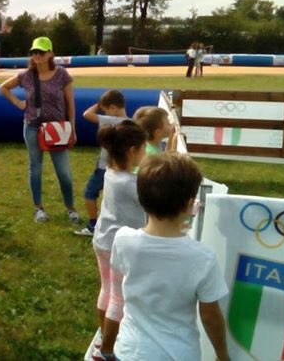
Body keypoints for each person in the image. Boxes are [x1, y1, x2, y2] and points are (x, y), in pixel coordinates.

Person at [98, 153, 229, 361]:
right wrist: (223, 355)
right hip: (180, 354)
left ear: (140, 198)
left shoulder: (123, 240)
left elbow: (118, 298)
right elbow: (210, 315)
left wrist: (106, 349)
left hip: (130, 352)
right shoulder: (203, 257)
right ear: (189, 204)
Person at [0, 36, 80, 224]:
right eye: (34, 52)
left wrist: (72, 128)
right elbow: (3, 87)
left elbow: (70, 103)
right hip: (32, 126)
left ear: (50, 53)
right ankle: (39, 209)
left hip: (57, 128)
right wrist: (18, 103)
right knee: (35, 168)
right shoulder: (26, 75)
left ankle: (71, 209)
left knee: (64, 172)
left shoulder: (62, 75)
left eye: (41, 52)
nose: (37, 55)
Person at [88, 120, 148, 359]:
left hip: (102, 241)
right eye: (144, 148)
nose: (146, 153)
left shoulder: (111, 173)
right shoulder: (132, 184)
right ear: (132, 151)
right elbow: (157, 201)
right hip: (118, 247)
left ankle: (103, 337)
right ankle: (107, 351)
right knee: (118, 299)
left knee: (107, 291)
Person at [75, 90, 128, 236]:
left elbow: (86, 114)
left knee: (90, 194)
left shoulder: (110, 121)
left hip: (104, 167)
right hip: (121, 168)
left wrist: (98, 105)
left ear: (113, 108)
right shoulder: (131, 123)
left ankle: (93, 225)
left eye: (106, 110)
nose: (105, 113)